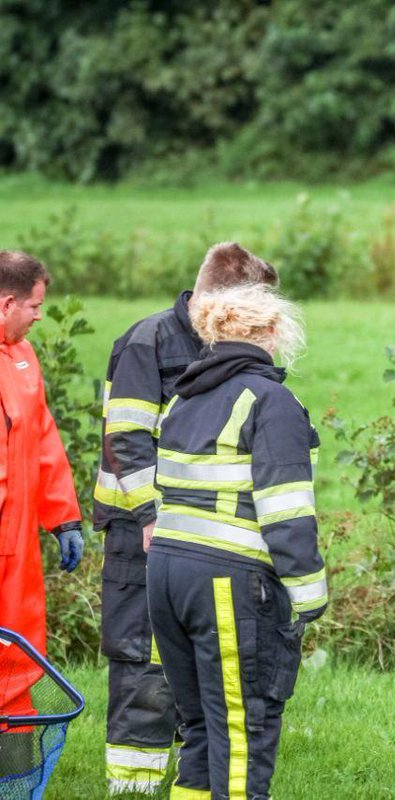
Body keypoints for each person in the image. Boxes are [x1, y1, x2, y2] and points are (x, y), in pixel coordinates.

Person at [95, 242, 278, 794]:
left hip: (193, 536)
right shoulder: (148, 341)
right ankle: (132, 784)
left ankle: (190, 773)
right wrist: (154, 516)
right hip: (140, 529)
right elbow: (125, 436)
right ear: (224, 296)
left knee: (188, 657)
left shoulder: (223, 345)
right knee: (141, 656)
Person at [146, 283, 327, 800]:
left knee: (201, 725)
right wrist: (311, 597)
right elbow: (287, 512)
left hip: (166, 575)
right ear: (271, 333)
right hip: (226, 582)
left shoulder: (183, 397)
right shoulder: (271, 400)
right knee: (244, 731)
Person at [0, 250, 84, 717]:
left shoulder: (23, 357)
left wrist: (64, 518)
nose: (38, 315)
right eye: (34, 306)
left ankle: (13, 776)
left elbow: (43, 440)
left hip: (18, 548)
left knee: (18, 657)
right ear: (7, 303)